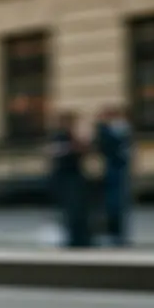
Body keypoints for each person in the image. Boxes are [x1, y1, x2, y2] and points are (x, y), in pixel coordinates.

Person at [48, 111, 92, 248]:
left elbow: (83, 150)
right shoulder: (59, 137)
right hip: (66, 177)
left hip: (75, 175)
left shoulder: (72, 137)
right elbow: (58, 153)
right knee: (72, 209)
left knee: (79, 209)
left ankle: (81, 237)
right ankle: (75, 238)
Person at [94, 105, 133, 246]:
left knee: (119, 204)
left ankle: (118, 234)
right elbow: (106, 148)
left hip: (119, 170)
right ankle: (113, 234)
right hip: (111, 170)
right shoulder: (104, 130)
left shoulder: (120, 129)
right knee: (112, 204)